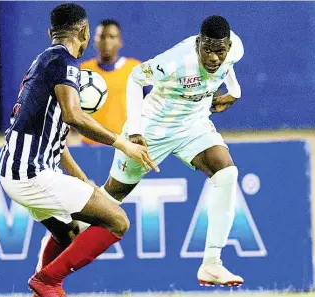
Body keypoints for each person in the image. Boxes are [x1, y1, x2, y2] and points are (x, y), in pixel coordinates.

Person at [0, 3, 158, 297]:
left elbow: (57, 135)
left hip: (15, 170)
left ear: (50, 33)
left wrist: (81, 179)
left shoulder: (43, 61)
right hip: (32, 174)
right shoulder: (66, 62)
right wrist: (124, 145)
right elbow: (74, 117)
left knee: (67, 234)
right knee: (117, 221)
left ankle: (42, 288)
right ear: (84, 32)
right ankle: (46, 282)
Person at [102, 15, 245, 287]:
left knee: (226, 171)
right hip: (152, 129)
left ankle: (212, 263)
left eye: (220, 50)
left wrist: (234, 92)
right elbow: (134, 79)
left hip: (193, 125)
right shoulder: (175, 60)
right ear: (198, 43)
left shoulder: (235, 48)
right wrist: (135, 132)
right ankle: (64, 232)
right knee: (110, 199)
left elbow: (229, 66)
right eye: (208, 49)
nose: (214, 58)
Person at [79, 19, 144, 145]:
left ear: (120, 42)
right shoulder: (83, 71)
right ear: (94, 41)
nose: (107, 41)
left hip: (126, 146)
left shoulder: (135, 69)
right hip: (90, 147)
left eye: (112, 37)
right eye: (102, 37)